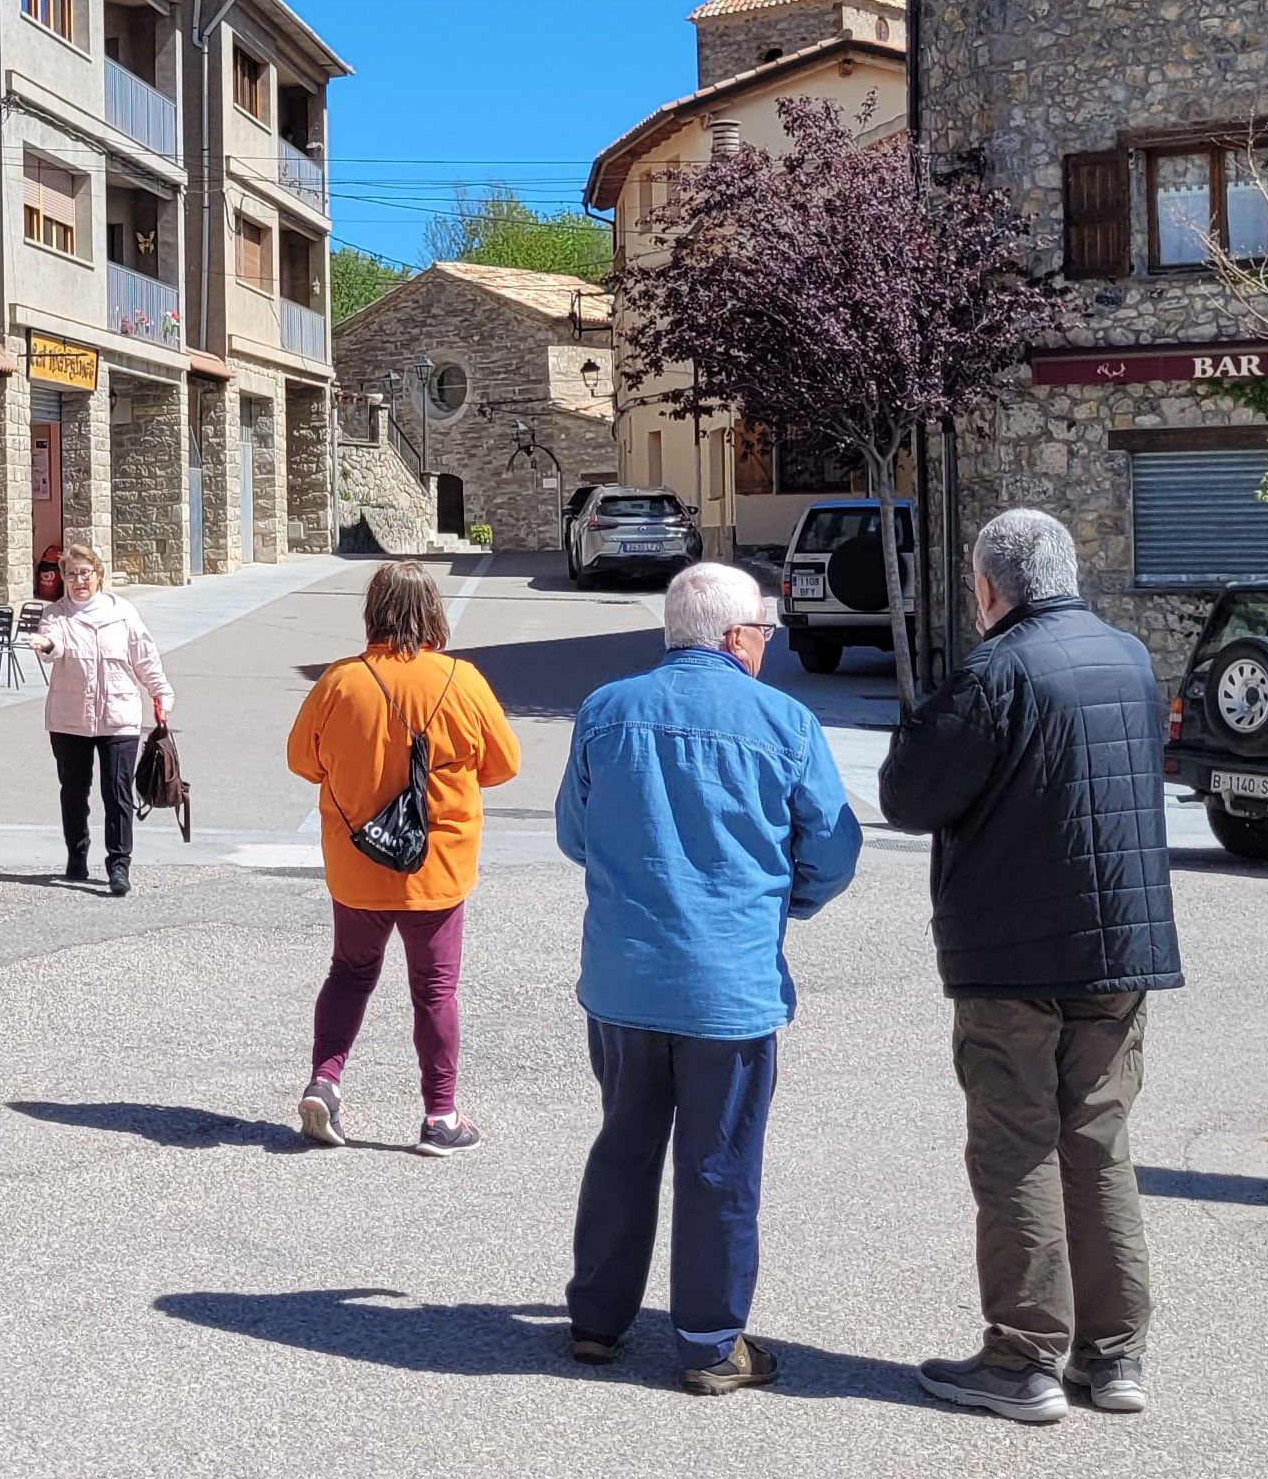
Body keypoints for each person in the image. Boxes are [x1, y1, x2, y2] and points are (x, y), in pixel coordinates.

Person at [877, 507, 1183, 1424]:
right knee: (1097, 1141)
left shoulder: (995, 669)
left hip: (1013, 954)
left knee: (1017, 1148)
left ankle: (1024, 1358)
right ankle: (1114, 1353)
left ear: (988, 586)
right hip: (1120, 945)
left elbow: (909, 797)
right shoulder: (1128, 658)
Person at [554, 561, 860, 1395]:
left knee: (623, 1142)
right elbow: (833, 851)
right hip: (728, 983)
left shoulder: (607, 712)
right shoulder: (785, 722)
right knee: (719, 1161)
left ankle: (598, 1320)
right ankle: (707, 1340)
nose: (764, 645)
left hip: (624, 978)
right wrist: (778, 903)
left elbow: (575, 834)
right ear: (734, 637)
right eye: (761, 631)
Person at [285, 559, 521, 1153]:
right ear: (432, 613)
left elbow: (302, 760)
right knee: (435, 988)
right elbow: (504, 765)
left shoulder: (341, 681)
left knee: (350, 971)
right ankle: (440, 1116)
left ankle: (325, 1080)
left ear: (373, 613)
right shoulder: (461, 680)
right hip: (436, 866)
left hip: (359, 860)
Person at [30, 546, 173, 896]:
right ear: (63, 579)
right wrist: (45, 644)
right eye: (71, 574)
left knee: (117, 792)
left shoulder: (123, 613)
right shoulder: (56, 614)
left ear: (98, 575)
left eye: (85, 573)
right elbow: (55, 645)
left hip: (119, 717)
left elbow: (145, 657)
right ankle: (76, 855)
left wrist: (161, 692)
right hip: (70, 719)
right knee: (74, 792)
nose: (79, 581)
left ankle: (119, 865)